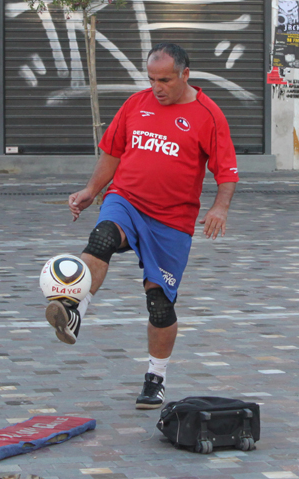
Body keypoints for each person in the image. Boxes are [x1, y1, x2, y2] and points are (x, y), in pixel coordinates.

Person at [45, 43, 239, 409]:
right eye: (151, 79)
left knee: (159, 303)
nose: (157, 87)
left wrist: (220, 208)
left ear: (185, 74)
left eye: (165, 80)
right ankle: (73, 310)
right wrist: (91, 190)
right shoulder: (136, 104)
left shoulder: (208, 115)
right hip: (126, 200)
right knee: (102, 238)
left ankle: (156, 378)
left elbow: (226, 170)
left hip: (171, 220)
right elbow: (113, 152)